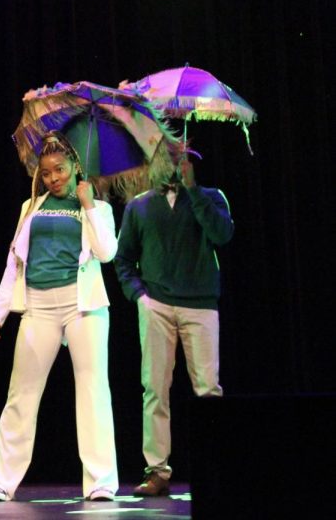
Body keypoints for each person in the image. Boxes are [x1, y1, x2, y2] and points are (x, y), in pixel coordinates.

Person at [0, 131, 119, 503]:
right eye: (46, 173)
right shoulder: (30, 208)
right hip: (38, 306)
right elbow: (14, 263)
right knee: (21, 393)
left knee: (93, 391)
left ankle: (101, 481)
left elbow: (106, 253)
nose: (54, 177)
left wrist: (89, 204)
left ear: (75, 167)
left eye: (60, 169)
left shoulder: (97, 208)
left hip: (82, 305)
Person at [114, 141, 233, 497]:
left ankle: (215, 467)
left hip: (200, 304)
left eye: (182, 159)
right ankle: (157, 471)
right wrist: (140, 297)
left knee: (208, 388)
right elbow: (123, 260)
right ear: (154, 163)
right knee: (155, 388)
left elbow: (222, 235)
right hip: (157, 305)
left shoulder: (211, 196)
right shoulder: (139, 206)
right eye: (167, 158)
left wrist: (194, 191)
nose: (174, 165)